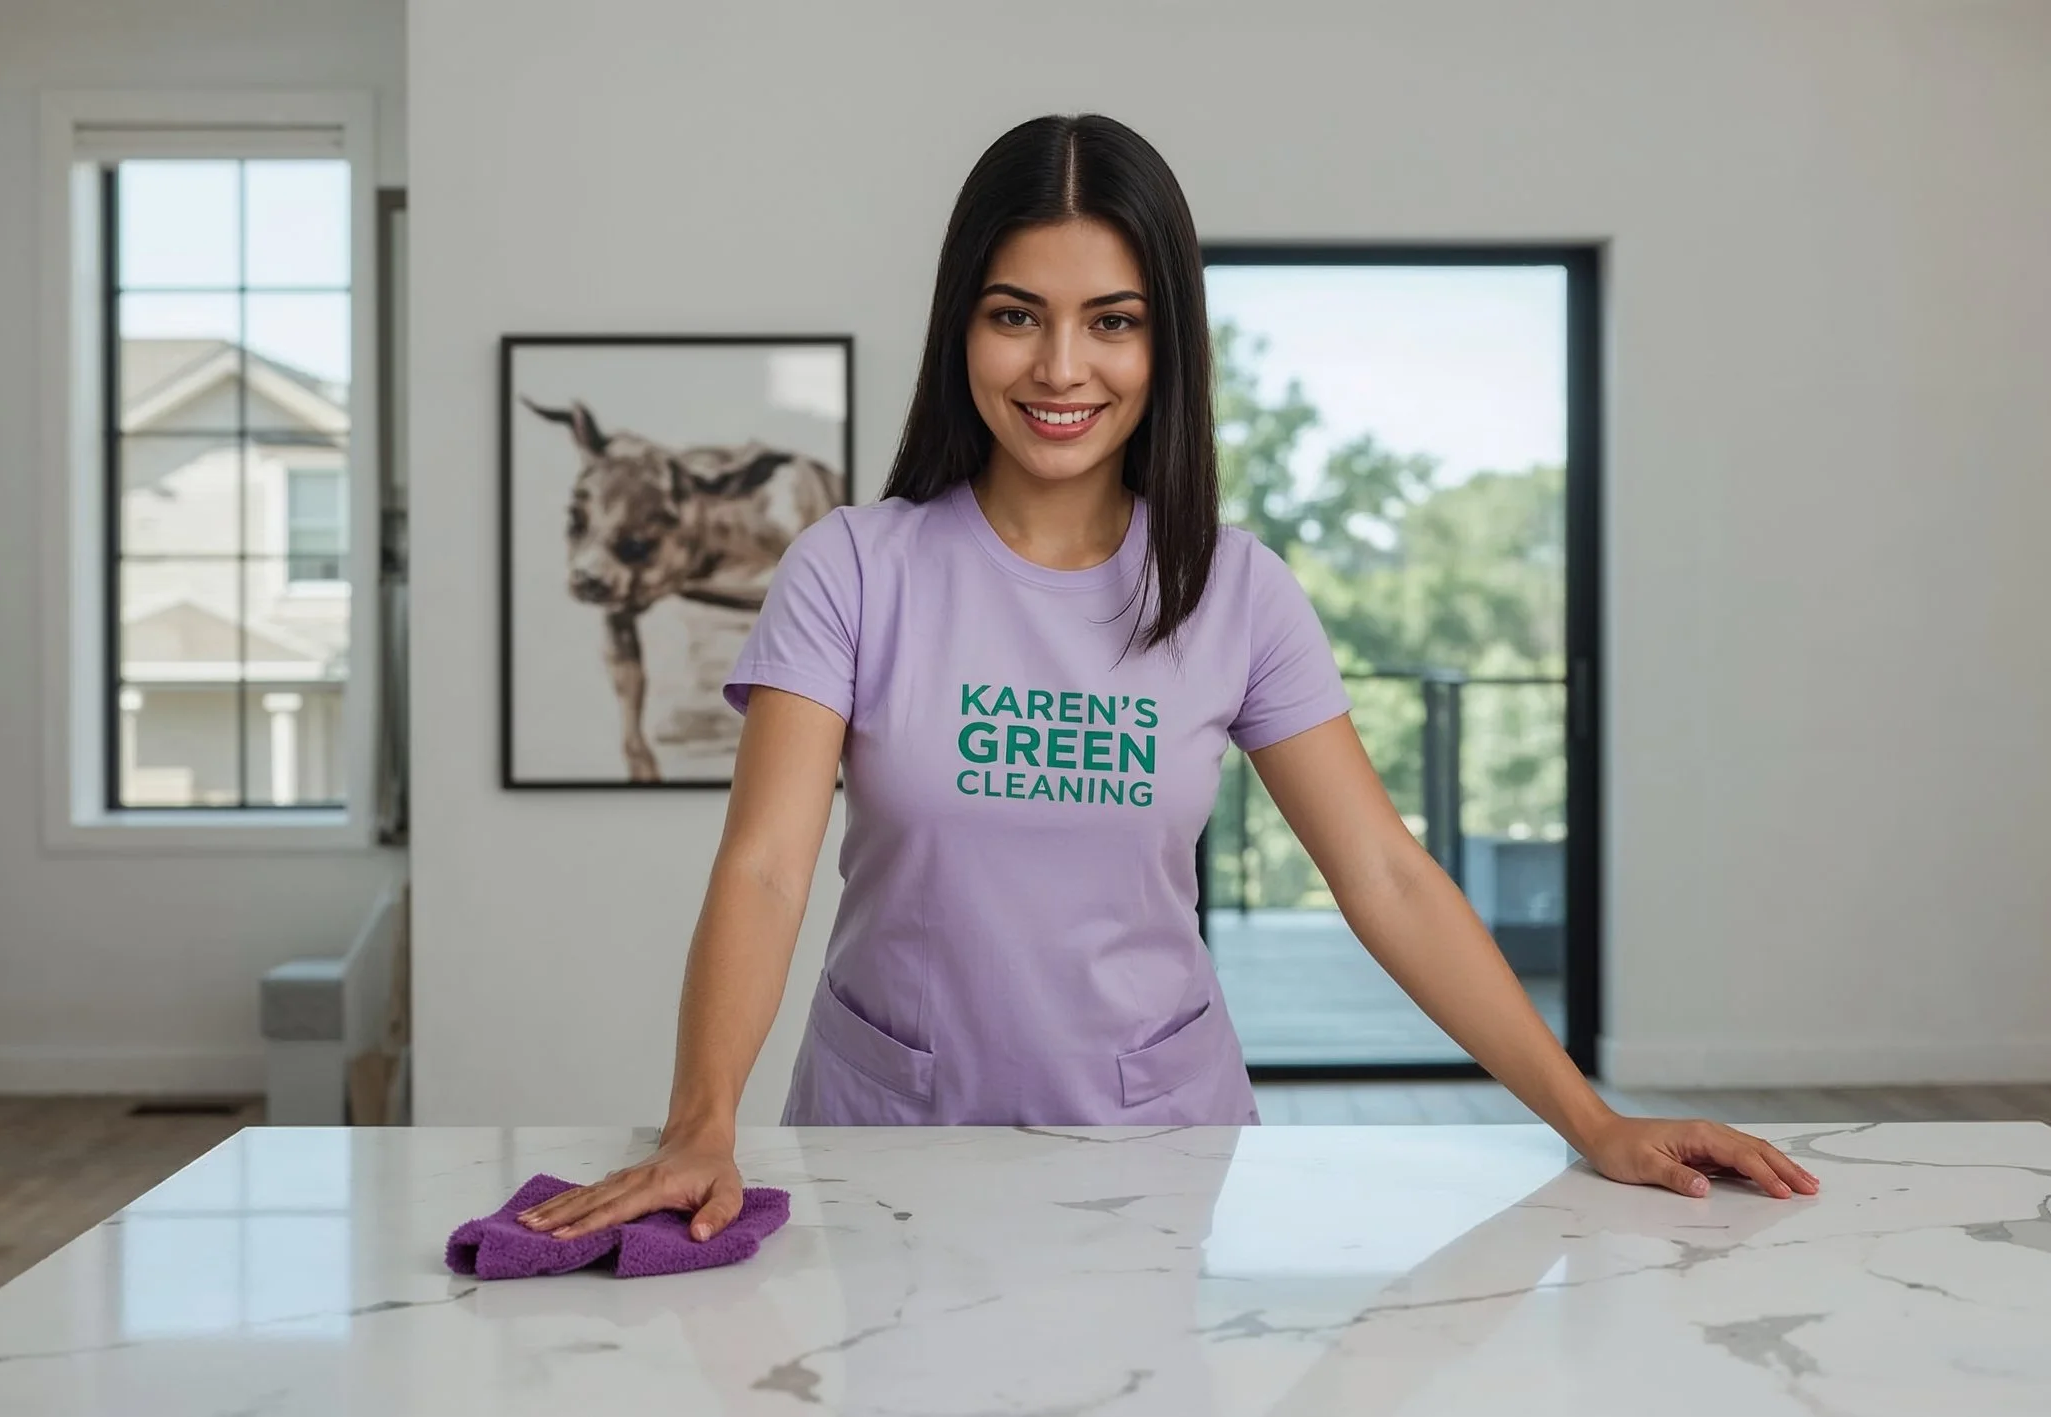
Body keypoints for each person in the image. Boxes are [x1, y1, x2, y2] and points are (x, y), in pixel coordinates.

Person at [520, 114, 1818, 1244]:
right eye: (1016, 314)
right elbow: (764, 868)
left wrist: (1590, 1121)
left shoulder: (1236, 589)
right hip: (887, 1145)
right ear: (962, 325)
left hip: (1161, 1155)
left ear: (1167, 343)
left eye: (1113, 323)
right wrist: (701, 1123)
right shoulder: (852, 568)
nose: (1062, 369)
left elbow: (1386, 876)